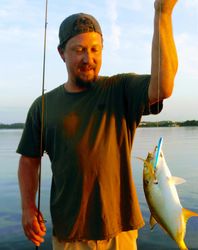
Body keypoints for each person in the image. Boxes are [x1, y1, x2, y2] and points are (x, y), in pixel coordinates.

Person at [17, 0, 178, 249]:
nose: (88, 58)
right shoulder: (42, 106)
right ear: (62, 53)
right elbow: (29, 160)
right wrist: (28, 206)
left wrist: (163, 13)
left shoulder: (121, 89)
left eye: (95, 49)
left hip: (120, 232)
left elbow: (163, 86)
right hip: (69, 234)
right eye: (78, 49)